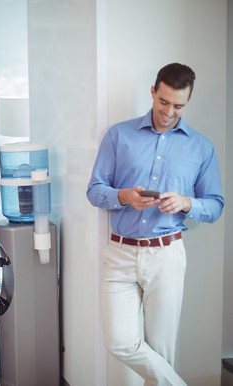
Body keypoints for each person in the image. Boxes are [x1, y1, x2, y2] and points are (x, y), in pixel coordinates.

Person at [87, 63, 224, 385]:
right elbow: (95, 190)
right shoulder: (119, 135)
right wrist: (124, 196)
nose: (168, 111)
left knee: (162, 352)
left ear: (187, 102)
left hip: (167, 254)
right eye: (163, 102)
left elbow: (215, 205)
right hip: (120, 254)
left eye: (178, 106)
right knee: (120, 342)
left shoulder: (201, 147)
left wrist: (188, 203)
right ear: (153, 91)